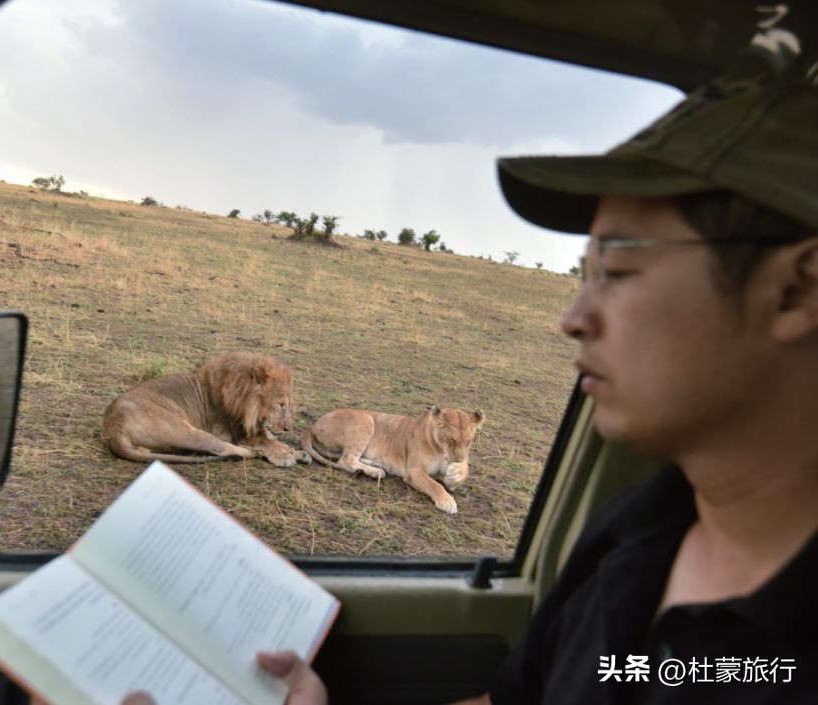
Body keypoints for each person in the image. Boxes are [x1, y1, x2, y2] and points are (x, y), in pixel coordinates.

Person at [122, 74, 818, 704]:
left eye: (620, 270)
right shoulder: (635, 528)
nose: (571, 318)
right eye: (583, 275)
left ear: (796, 288)